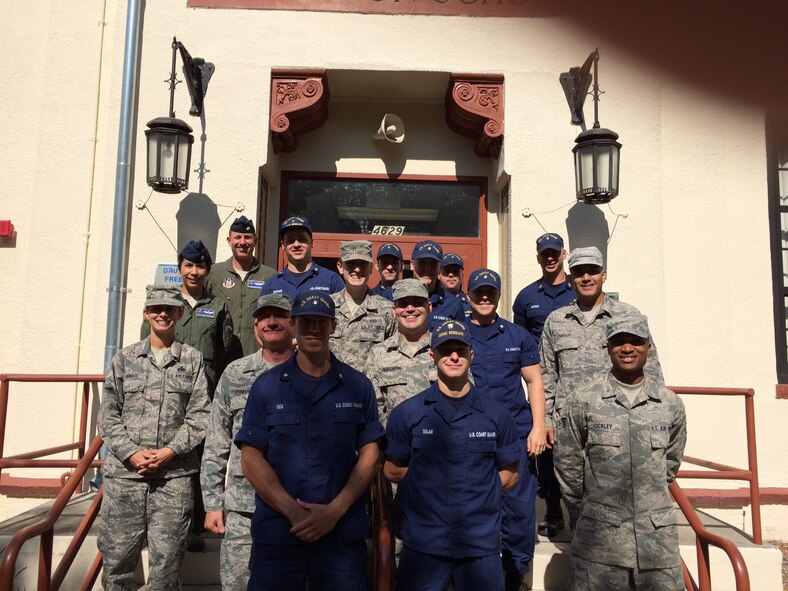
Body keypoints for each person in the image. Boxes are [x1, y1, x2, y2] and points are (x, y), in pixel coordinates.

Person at [235, 291, 384, 591]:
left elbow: (371, 453)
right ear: (293, 326)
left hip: (340, 536)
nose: (313, 329)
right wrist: (294, 512)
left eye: (321, 322)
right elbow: (251, 458)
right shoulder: (267, 387)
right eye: (306, 323)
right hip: (280, 533)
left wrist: (334, 511)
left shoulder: (357, 386)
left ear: (334, 327)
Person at [384, 319, 521, 591]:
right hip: (424, 544)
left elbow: (512, 473)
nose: (454, 356)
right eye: (446, 350)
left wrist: (478, 490)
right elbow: (391, 468)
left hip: (479, 546)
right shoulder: (409, 413)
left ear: (472, 354)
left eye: (460, 348)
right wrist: (427, 485)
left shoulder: (497, 415)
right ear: (432, 356)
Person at [555, 313, 686, 591]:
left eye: (635, 341)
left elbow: (669, 466)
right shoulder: (583, 400)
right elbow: (568, 465)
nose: (627, 348)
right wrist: (589, 512)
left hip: (656, 547)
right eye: (619, 342)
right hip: (600, 546)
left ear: (648, 346)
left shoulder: (670, 404)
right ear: (608, 347)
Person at [98, 285, 209, 590]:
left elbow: (200, 415)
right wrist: (131, 453)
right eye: (156, 308)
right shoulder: (125, 359)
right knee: (117, 564)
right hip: (126, 479)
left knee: (167, 567)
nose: (163, 314)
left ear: (180, 314)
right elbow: (107, 414)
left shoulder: (192, 360)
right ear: (146, 314)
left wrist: (171, 451)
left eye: (169, 309)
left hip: (173, 478)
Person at [200, 293, 294, 591]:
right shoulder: (236, 373)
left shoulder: (310, 371)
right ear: (255, 326)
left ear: (292, 323)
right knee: (238, 584)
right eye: (264, 316)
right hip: (243, 508)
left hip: (295, 505)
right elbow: (217, 440)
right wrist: (213, 503)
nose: (271, 322)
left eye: (279, 315)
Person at [466, 268, 547, 591]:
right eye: (479, 292)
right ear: (469, 295)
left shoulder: (517, 336)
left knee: (519, 515)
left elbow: (534, 381)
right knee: (476, 510)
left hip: (514, 438)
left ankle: (516, 576)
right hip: (470, 439)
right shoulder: (454, 334)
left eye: (491, 292)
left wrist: (538, 427)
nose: (485, 298)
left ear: (499, 296)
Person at [540, 246, 665, 438]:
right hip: (569, 425)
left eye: (593, 271)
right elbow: (547, 376)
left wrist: (655, 416)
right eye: (579, 273)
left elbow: (651, 368)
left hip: (617, 422)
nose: (586, 278)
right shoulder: (556, 320)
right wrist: (545, 421)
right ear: (571, 278)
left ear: (603, 275)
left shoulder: (627, 315)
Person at [512, 233, 575, 538]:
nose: (550, 258)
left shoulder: (578, 290)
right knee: (547, 445)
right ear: (538, 258)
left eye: (554, 253)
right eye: (544, 254)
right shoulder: (526, 298)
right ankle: (552, 509)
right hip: (545, 382)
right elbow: (522, 344)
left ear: (564, 254)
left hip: (578, 379)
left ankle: (582, 512)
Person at [141, 239, 232, 396]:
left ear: (208, 271)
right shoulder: (165, 304)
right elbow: (146, 343)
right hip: (167, 389)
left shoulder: (218, 306)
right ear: (179, 269)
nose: (194, 272)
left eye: (200, 266)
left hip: (204, 389)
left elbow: (224, 351)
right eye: (189, 265)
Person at [365, 278, 435, 425]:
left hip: (436, 443)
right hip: (394, 443)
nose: (410, 309)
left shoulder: (445, 349)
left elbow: (462, 396)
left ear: (429, 307)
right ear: (394, 310)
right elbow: (373, 407)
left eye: (417, 303)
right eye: (403, 304)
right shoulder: (378, 353)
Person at [207, 216, 276, 359]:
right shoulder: (213, 274)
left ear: (255, 241)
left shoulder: (270, 277)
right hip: (219, 358)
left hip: (255, 357)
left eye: (247, 237)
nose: (242, 242)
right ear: (229, 241)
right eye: (237, 237)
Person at [329, 240, 397, 371]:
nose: (357, 269)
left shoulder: (386, 310)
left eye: (363, 264)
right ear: (340, 267)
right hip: (330, 387)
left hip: (368, 389)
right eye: (350, 264)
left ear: (371, 268)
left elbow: (393, 359)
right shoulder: (327, 307)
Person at [260, 216, 345, 299]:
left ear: (311, 243)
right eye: (290, 240)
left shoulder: (331, 280)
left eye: (302, 239)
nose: (296, 245)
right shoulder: (272, 284)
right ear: (283, 245)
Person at [410, 240, 466, 331]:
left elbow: (461, 342)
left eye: (433, 264)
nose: (427, 268)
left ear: (440, 267)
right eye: (422, 263)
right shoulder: (396, 298)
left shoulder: (453, 304)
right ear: (412, 264)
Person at [439, 252, 472, 319]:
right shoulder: (433, 303)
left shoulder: (471, 304)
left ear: (462, 275)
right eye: (446, 271)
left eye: (455, 271)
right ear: (439, 275)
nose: (451, 275)